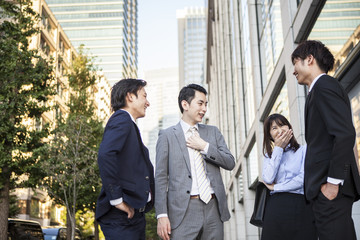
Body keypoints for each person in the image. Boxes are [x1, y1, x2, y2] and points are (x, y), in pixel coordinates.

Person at [292, 40, 360, 240]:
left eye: (295, 62)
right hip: (326, 192)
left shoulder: (324, 86)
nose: (294, 70)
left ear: (309, 59)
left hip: (331, 190)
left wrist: (332, 183)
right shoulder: (317, 90)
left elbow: (345, 134)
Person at [155, 84, 235, 240]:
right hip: (182, 211)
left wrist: (204, 146)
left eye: (206, 104)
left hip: (213, 208)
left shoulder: (212, 132)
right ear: (185, 104)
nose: (204, 109)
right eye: (200, 103)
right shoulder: (167, 136)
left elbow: (230, 162)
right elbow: (160, 177)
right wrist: (162, 214)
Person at [95, 79, 154, 239]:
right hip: (120, 217)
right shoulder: (122, 119)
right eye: (144, 96)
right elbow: (105, 155)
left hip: (132, 217)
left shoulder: (129, 123)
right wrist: (117, 200)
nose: (147, 103)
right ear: (130, 97)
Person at [261, 113, 317, 240]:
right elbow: (268, 178)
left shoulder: (303, 150)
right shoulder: (268, 157)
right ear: (269, 135)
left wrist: (276, 187)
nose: (280, 130)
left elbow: (303, 179)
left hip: (300, 204)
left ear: (289, 128)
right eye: (274, 128)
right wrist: (278, 149)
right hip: (276, 208)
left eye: (282, 125)